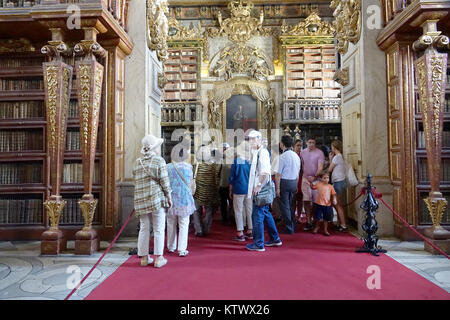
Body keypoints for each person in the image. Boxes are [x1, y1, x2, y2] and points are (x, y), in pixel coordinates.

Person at [133, 134, 172, 268]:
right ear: (155, 148)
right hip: (155, 199)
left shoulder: (138, 162)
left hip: (141, 201)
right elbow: (165, 181)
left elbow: (136, 180)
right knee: (158, 228)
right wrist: (169, 196)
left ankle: (144, 258)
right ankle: (158, 258)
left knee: (144, 228)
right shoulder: (159, 161)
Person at [246, 130, 282, 251]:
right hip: (261, 187)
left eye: (253, 139)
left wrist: (258, 186)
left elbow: (265, 172)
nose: (250, 141)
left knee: (257, 216)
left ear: (259, 139)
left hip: (261, 188)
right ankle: (275, 238)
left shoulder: (262, 153)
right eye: (249, 139)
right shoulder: (258, 152)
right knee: (265, 213)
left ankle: (258, 243)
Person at [166, 146, 196, 257]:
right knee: (184, 224)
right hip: (184, 199)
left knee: (170, 223)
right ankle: (182, 249)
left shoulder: (168, 167)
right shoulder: (189, 167)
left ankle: (171, 246)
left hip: (171, 198)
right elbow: (189, 182)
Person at [274, 135, 301, 234]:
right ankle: (292, 224)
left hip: (284, 182)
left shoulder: (282, 157)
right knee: (291, 205)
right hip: (294, 181)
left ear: (282, 144)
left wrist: (277, 188)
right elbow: (298, 173)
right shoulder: (296, 156)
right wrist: (297, 185)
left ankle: (289, 228)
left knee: (285, 206)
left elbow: (278, 174)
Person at [192, 146, 219, 236]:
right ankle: (206, 228)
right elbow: (216, 179)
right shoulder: (213, 166)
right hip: (209, 191)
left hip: (197, 191)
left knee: (196, 211)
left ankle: (198, 230)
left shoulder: (195, 166)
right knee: (209, 211)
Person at [229, 141, 252, 241]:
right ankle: (250, 230)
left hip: (238, 188)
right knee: (249, 210)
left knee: (238, 210)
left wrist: (230, 189)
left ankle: (240, 232)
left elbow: (232, 177)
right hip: (249, 188)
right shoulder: (250, 161)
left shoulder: (236, 161)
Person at [300, 137, 325, 231]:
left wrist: (314, 176)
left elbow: (320, 167)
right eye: (309, 142)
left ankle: (316, 220)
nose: (311, 144)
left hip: (316, 179)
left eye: (313, 143)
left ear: (315, 143)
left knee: (315, 202)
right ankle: (308, 221)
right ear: (306, 143)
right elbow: (302, 166)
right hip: (305, 179)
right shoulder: (302, 153)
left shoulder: (319, 153)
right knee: (306, 201)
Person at [328, 140, 348, 232]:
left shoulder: (337, 157)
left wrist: (330, 159)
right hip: (341, 181)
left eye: (332, 146)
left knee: (337, 204)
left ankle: (343, 225)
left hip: (338, 182)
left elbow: (329, 169)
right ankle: (341, 223)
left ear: (334, 147)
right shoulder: (341, 157)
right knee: (337, 203)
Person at [311, 171, 337, 236]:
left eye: (327, 178)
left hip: (327, 205)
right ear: (321, 179)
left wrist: (334, 199)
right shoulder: (319, 184)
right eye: (324, 178)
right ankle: (317, 227)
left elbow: (333, 194)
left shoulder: (330, 186)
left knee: (326, 218)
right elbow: (312, 187)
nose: (326, 179)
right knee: (318, 218)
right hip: (319, 204)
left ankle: (325, 230)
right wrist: (311, 182)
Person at [218, 143, 232, 225]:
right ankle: (230, 218)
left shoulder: (222, 162)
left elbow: (218, 173)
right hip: (229, 185)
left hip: (223, 184)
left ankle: (225, 219)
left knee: (224, 203)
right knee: (229, 203)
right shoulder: (233, 162)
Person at [293, 139, 304, 223]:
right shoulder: (292, 155)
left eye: (301, 146)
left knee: (300, 199)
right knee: (293, 199)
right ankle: (293, 215)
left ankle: (299, 215)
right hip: (292, 179)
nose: (299, 147)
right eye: (298, 145)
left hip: (301, 178)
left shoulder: (303, 156)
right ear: (294, 146)